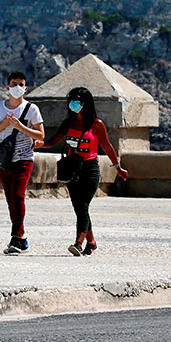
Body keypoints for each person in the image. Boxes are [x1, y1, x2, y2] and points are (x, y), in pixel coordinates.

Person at [41, 87, 129, 256]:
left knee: (82, 206)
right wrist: (39, 143)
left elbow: (107, 146)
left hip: (89, 169)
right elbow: (53, 141)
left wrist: (118, 167)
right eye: (72, 100)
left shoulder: (96, 125)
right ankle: (92, 242)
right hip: (72, 169)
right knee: (80, 208)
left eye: (78, 100)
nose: (74, 104)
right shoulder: (68, 123)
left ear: (86, 103)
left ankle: (78, 244)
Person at [0, 71, 44, 254]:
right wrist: (4, 125)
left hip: (24, 157)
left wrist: (20, 127)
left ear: (26, 88)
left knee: (18, 195)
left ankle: (15, 238)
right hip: (4, 159)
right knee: (10, 198)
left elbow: (40, 134)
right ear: (7, 87)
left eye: (21, 84)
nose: (17, 87)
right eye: (14, 83)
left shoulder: (32, 109)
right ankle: (22, 237)